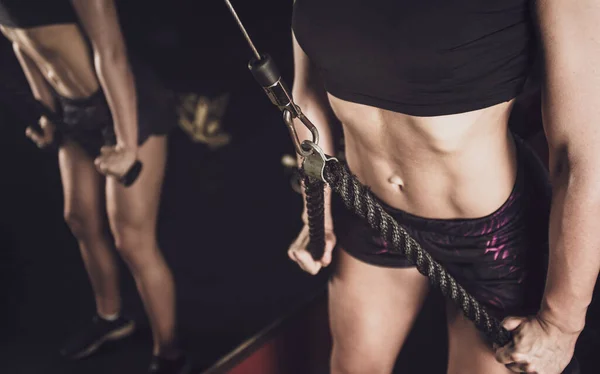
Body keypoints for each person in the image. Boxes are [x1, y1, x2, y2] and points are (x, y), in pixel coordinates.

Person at [287, 0, 599, 373]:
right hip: (371, 210)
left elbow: (582, 154)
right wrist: (315, 211)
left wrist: (561, 323)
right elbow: (306, 94)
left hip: (491, 238)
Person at [0, 1, 190, 373]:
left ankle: (169, 352)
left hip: (126, 108)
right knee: (80, 219)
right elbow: (22, 43)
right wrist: (47, 112)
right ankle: (112, 319)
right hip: (73, 110)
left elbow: (112, 52)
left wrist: (127, 145)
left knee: (132, 240)